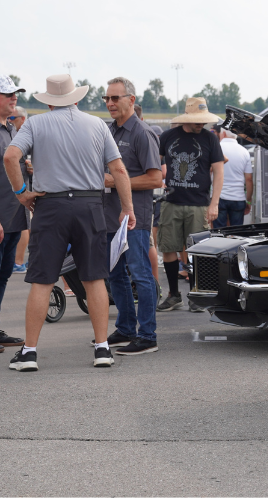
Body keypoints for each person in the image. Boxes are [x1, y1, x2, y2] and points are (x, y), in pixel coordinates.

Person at [4, 74, 135, 371]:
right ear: (76, 98)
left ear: (49, 101)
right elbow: (119, 170)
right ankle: (102, 348)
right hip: (90, 204)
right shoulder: (96, 125)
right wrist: (127, 208)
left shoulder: (36, 123)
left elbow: (11, 156)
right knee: (94, 278)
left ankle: (30, 352)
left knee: (42, 280)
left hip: (51, 205)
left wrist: (22, 193)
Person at [101, 77, 162, 355]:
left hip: (135, 218)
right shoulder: (110, 131)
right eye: (107, 99)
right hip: (112, 217)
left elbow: (155, 179)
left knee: (140, 274)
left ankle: (148, 335)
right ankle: (126, 328)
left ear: (131, 100)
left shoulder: (142, 133)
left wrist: (116, 182)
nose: (111, 103)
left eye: (116, 98)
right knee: (115, 276)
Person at [157, 97, 224, 313]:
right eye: (198, 120)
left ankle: (197, 295)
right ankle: (173, 294)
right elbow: (153, 163)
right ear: (187, 117)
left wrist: (214, 203)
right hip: (172, 202)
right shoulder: (167, 137)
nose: (202, 124)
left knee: (198, 252)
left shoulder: (210, 139)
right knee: (169, 249)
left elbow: (219, 172)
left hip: (199, 204)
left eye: (204, 121)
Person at [0, 75, 27, 351]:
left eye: (14, 93)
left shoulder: (10, 128)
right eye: (7, 94)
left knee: (4, 274)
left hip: (12, 218)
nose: (13, 98)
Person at [215, 128, 253, 227]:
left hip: (218, 198)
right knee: (237, 234)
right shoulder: (244, 151)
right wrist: (248, 200)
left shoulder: (216, 148)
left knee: (219, 233)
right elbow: (249, 179)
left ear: (223, 133)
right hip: (238, 198)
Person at [10, 106, 30, 274]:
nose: (10, 121)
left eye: (12, 118)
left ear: (22, 119)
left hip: (20, 187)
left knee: (22, 224)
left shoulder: (23, 134)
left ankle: (18, 262)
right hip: (19, 185)